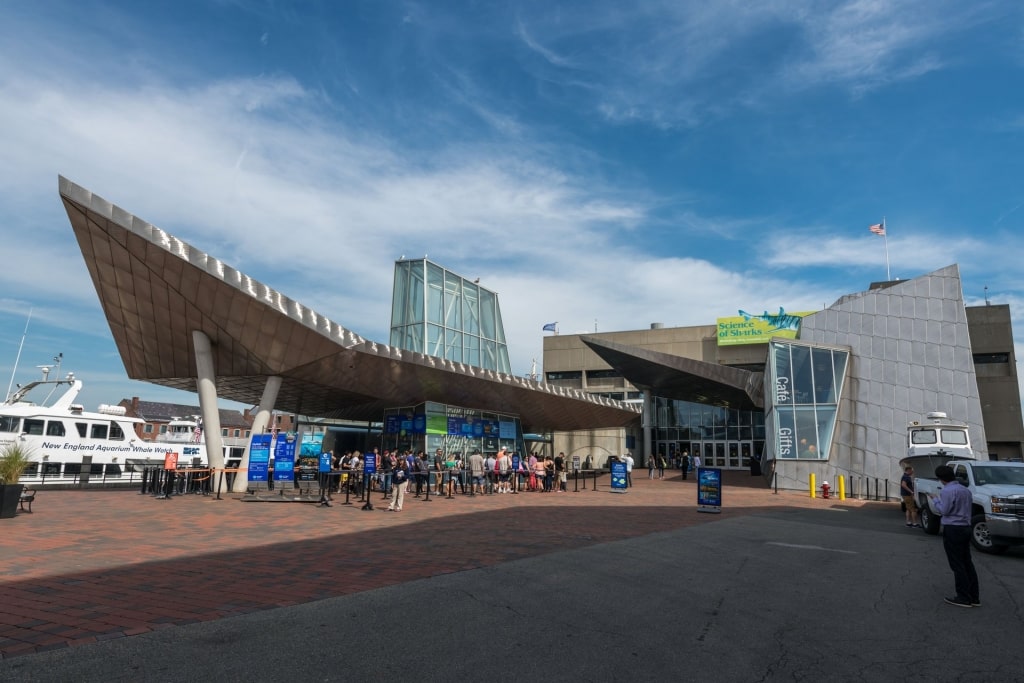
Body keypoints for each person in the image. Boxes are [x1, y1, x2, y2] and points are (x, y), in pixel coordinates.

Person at [930, 465, 979, 607]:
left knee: (957, 564)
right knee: (967, 562)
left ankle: (963, 597)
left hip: (953, 528)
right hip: (965, 527)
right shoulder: (965, 490)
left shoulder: (947, 491)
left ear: (940, 479)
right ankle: (974, 596)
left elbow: (944, 511)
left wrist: (935, 499)